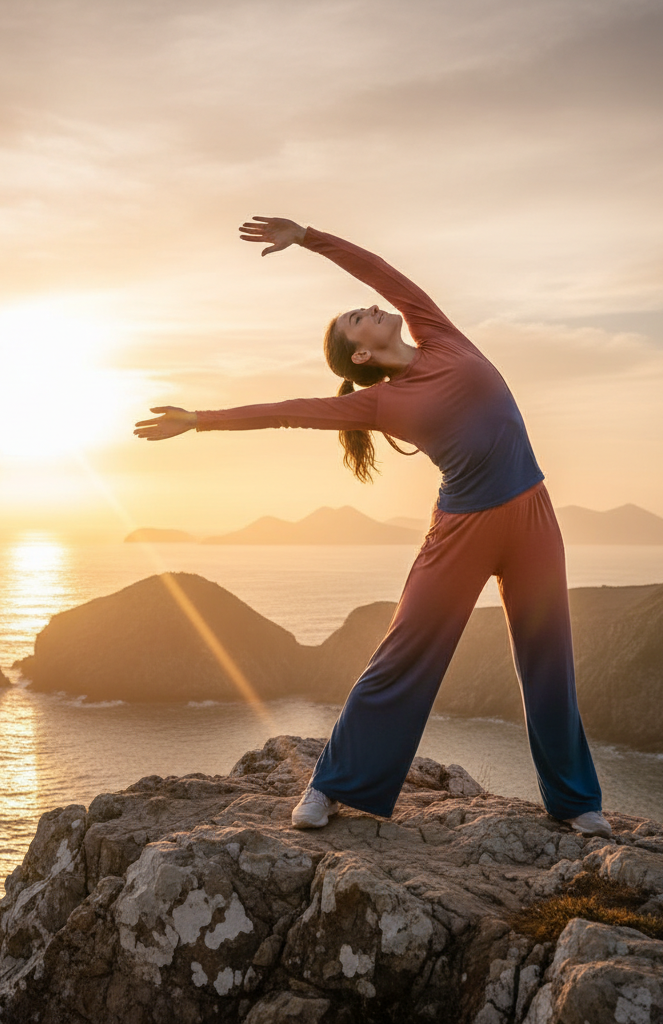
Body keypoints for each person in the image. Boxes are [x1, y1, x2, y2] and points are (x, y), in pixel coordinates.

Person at [135, 216, 611, 839]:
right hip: (462, 532)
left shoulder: (439, 334)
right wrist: (199, 419)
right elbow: (286, 413)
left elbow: (378, 271)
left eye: (360, 310)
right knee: (403, 658)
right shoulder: (379, 402)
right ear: (362, 354)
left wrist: (307, 237)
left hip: (533, 518)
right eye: (356, 320)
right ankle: (331, 786)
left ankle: (575, 802)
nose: (367, 308)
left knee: (549, 661)